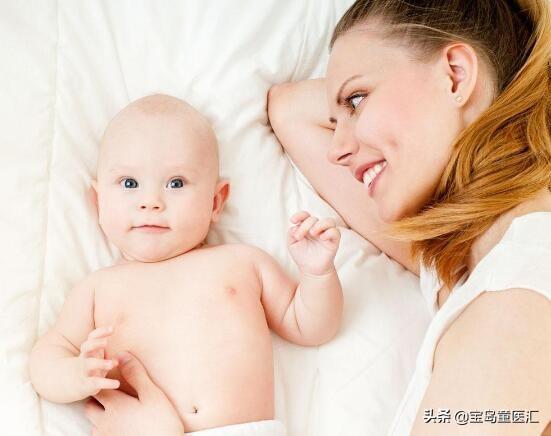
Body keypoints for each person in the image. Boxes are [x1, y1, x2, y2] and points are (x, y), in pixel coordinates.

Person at [76, 0, 551, 434]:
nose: (337, 149)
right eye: (337, 118)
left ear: (455, 76)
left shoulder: (515, 299)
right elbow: (289, 110)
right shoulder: (463, 257)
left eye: (357, 100)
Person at [29, 94, 344, 436]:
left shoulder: (243, 263)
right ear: (98, 200)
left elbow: (311, 327)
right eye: (129, 183)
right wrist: (75, 374)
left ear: (215, 202)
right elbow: (48, 356)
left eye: (176, 183)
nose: (151, 202)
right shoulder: (97, 288)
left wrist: (317, 273)